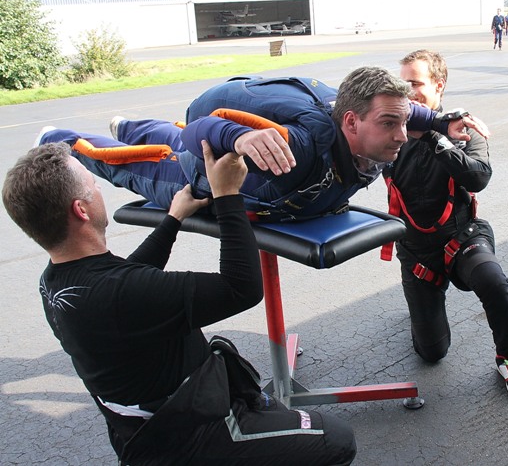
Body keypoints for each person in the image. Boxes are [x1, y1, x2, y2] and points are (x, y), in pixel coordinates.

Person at [2, 141, 357, 464]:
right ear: (81, 210)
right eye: (93, 185)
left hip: (143, 433)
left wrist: (173, 219)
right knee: (337, 439)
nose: (98, 189)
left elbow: (129, 277)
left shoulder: (56, 282)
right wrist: (227, 194)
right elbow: (240, 288)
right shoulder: (122, 292)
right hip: (194, 434)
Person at [36, 67, 485, 222]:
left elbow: (406, 112)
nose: (402, 135)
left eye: (402, 123)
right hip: (202, 172)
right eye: (390, 125)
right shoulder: (298, 148)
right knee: (134, 162)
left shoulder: (372, 117)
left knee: (163, 136)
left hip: (235, 152)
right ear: (351, 121)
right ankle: (61, 139)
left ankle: (129, 124)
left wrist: (441, 120)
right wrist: (242, 137)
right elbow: (199, 129)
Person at [383, 49, 508, 397]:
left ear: (439, 85)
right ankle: (421, 313)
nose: (407, 91)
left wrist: (434, 136)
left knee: (494, 282)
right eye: (402, 84)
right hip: (417, 252)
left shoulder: (462, 130)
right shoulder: (392, 132)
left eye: (415, 83)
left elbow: (479, 177)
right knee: (431, 353)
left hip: (462, 238)